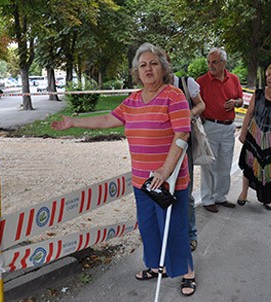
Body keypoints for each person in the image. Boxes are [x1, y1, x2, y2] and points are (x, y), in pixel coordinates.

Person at [52, 43, 196, 296]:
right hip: (142, 181)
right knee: (149, 227)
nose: (148, 68)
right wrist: (74, 121)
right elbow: (108, 119)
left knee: (173, 228)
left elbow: (182, 134)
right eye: (143, 65)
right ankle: (155, 266)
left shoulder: (174, 96)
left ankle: (187, 272)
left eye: (153, 63)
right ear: (136, 72)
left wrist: (165, 169)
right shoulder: (133, 100)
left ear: (163, 67)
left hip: (168, 180)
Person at [237, 63, 271, 210]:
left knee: (270, 169)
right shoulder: (259, 93)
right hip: (255, 136)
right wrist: (243, 133)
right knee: (250, 165)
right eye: (268, 75)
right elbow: (249, 113)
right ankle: (244, 193)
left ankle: (267, 198)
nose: (269, 78)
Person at [196, 47, 243, 213]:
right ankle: (208, 199)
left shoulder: (234, 79)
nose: (211, 65)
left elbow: (241, 100)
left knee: (225, 164)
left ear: (223, 63)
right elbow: (193, 102)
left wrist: (235, 103)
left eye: (214, 62)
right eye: (209, 62)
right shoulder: (201, 81)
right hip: (211, 126)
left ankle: (220, 197)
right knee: (209, 165)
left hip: (229, 127)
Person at [173, 75, 205, 251]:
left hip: (184, 146)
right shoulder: (152, 86)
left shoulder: (185, 83)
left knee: (186, 192)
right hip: (161, 148)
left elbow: (201, 104)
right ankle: (171, 235)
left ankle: (190, 234)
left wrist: (189, 113)